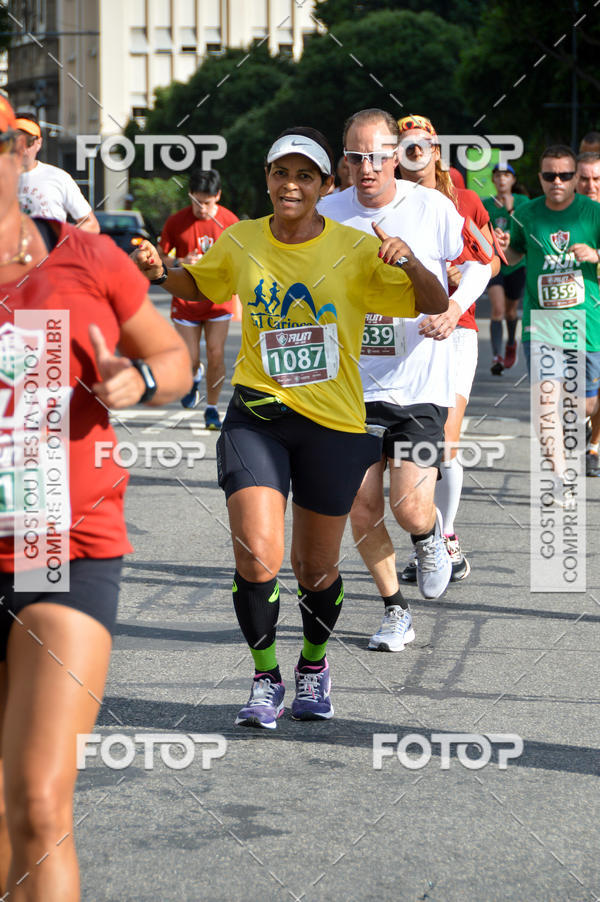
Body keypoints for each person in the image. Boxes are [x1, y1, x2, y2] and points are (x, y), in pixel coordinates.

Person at [133, 126, 449, 724]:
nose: (292, 185)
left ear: (326, 186)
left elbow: (433, 302)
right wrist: (156, 270)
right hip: (258, 414)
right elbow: (200, 284)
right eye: (282, 174)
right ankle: (263, 678)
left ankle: (312, 666)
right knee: (257, 555)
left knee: (315, 568)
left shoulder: (357, 249)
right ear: (268, 180)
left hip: (331, 425)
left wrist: (407, 260)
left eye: (306, 176)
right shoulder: (242, 239)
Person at [0, 96, 189, 901]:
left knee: (39, 804)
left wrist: (136, 380)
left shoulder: (87, 258)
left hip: (59, 542)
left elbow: (174, 359)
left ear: (17, 153)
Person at [320, 108, 492, 653]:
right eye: (355, 157)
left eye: (376, 156)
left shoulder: (433, 207)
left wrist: (452, 308)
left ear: (394, 156)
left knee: (408, 505)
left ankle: (431, 535)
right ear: (343, 161)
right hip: (349, 389)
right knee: (361, 505)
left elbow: (483, 262)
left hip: (418, 384)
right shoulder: (326, 212)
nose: (366, 167)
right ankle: (396, 609)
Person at [395, 113, 501, 587]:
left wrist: (461, 281)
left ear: (436, 151)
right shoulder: (387, 199)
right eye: (404, 145)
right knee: (408, 447)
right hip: (406, 331)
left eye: (421, 145)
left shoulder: (467, 200)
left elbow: (491, 259)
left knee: (445, 441)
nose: (412, 152)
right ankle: (427, 536)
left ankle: (447, 537)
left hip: (457, 330)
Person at [496, 144, 600, 484]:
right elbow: (513, 255)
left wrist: (595, 254)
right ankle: (559, 475)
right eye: (550, 175)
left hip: (586, 324)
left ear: (574, 180)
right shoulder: (526, 214)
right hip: (541, 324)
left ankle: (584, 429)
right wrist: (500, 246)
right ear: (540, 178)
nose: (557, 180)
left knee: (583, 407)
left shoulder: (593, 213)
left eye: (565, 175)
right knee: (545, 401)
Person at [159, 168, 239, 426]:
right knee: (191, 358)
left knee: (216, 353)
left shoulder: (230, 221)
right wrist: (181, 261)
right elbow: (159, 257)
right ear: (190, 195)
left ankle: (213, 408)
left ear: (217, 196)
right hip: (185, 301)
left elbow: (241, 257)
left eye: (206, 202)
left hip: (218, 300)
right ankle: (193, 376)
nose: (201, 208)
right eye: (196, 201)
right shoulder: (176, 222)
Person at [15, 112, 100, 233]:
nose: (22, 147)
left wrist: (62, 240)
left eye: (28, 141)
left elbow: (91, 225)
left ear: (38, 143)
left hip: (51, 251)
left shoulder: (58, 177)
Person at [483, 163, 528, 374]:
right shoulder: (485, 204)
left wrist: (511, 210)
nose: (502, 180)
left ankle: (511, 343)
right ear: (493, 180)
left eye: (506, 175)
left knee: (511, 311)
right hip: (494, 262)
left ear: (513, 180)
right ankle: (496, 356)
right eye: (498, 176)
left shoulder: (523, 202)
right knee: (498, 309)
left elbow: (527, 230)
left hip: (516, 263)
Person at [575, 151, 600, 475]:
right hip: (574, 317)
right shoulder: (562, 214)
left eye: (597, 178)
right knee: (586, 394)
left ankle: (594, 446)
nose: (591, 185)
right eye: (585, 178)